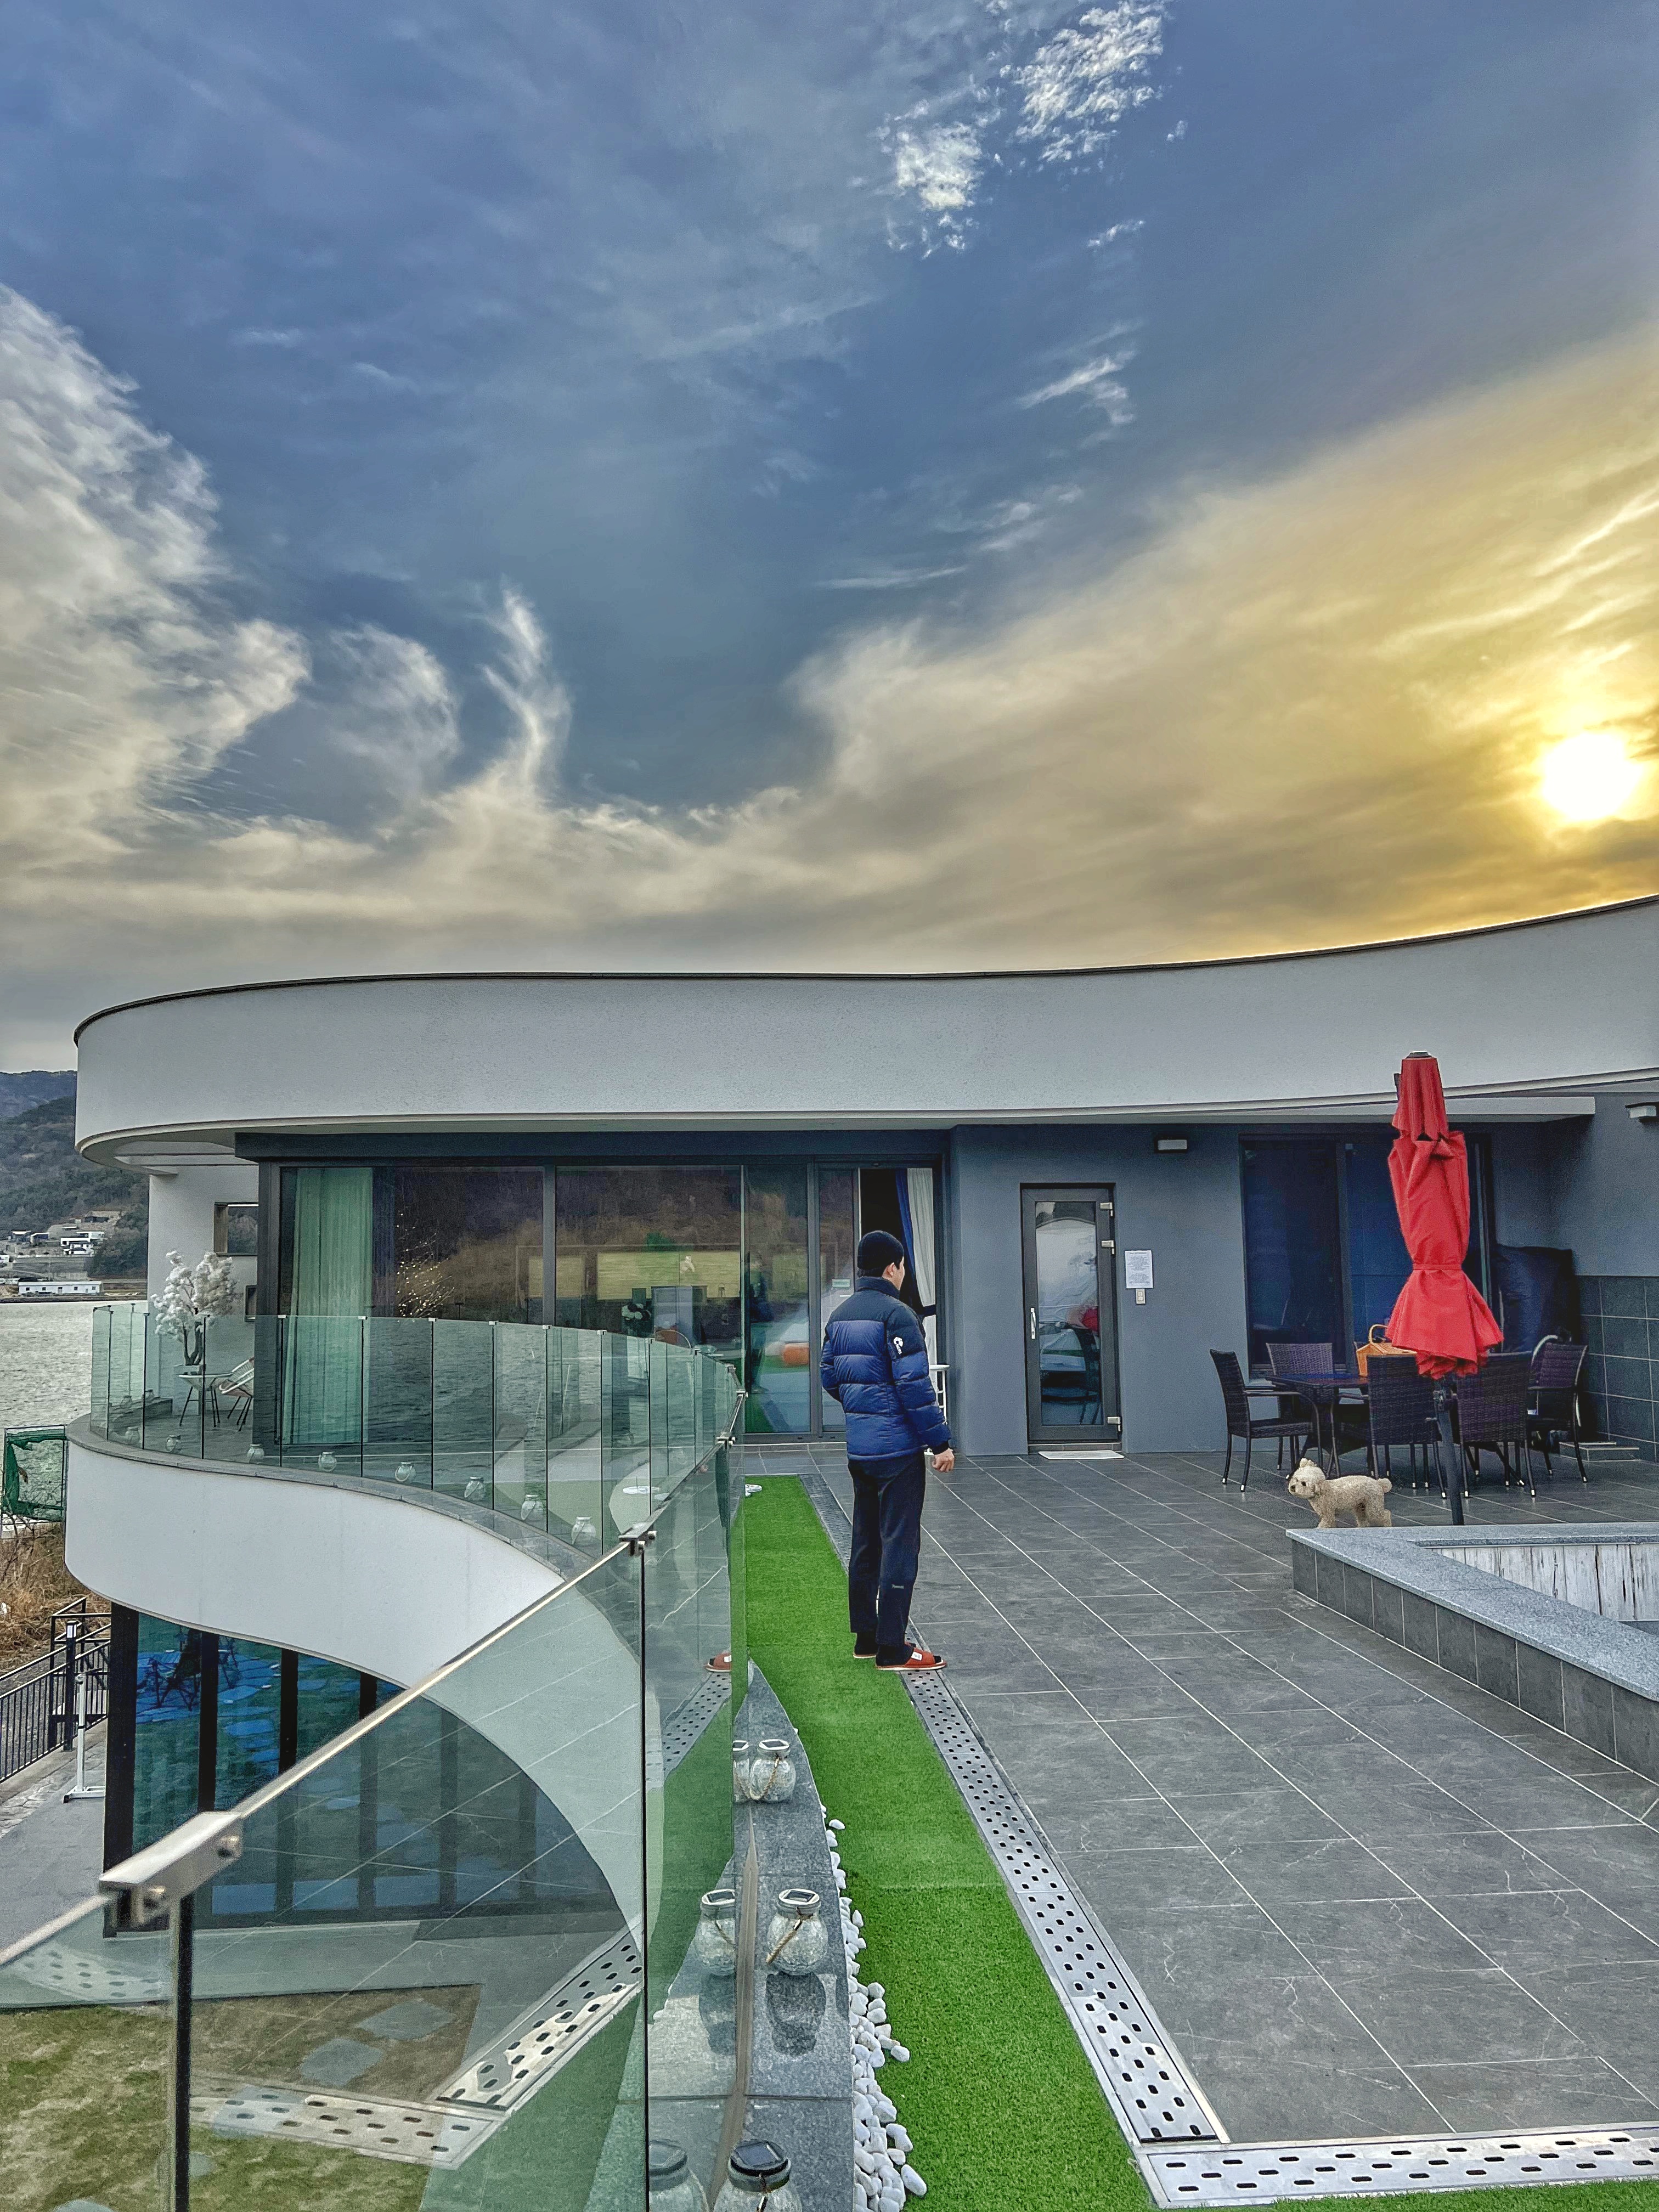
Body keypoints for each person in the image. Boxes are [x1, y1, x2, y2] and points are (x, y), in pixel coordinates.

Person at [819, 1229, 955, 1671]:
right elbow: (914, 1386)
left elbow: (830, 1377)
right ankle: (893, 1648)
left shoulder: (839, 1316)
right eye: (903, 1266)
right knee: (900, 1544)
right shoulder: (899, 1315)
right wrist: (940, 1442)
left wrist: (864, 1408)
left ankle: (866, 1638)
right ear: (893, 1267)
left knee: (866, 1542)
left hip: (860, 1452)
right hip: (898, 1453)